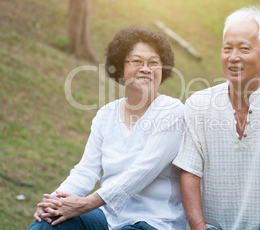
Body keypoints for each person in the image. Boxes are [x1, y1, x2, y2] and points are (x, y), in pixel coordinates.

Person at [28, 26, 187, 230]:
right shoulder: (106, 114)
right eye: (137, 61)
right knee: (50, 222)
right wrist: (54, 202)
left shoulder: (172, 111)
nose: (146, 69)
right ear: (120, 67)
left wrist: (85, 204)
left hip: (154, 222)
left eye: (154, 63)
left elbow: (141, 173)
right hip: (109, 217)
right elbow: (86, 170)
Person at [173, 6, 260, 230]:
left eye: (244, 49)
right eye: (227, 48)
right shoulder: (197, 105)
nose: (233, 57)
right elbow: (189, 172)